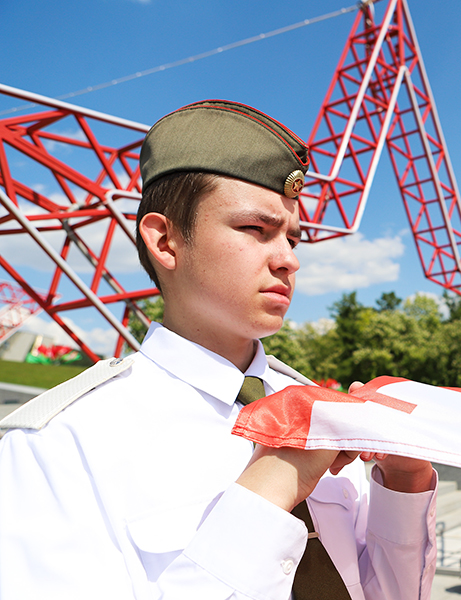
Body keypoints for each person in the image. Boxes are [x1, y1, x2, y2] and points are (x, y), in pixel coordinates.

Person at [0, 100, 437, 599]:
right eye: (256, 230)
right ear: (165, 241)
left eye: (293, 239)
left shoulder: (317, 408)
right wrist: (271, 488)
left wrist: (404, 481)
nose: (288, 260)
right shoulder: (58, 444)